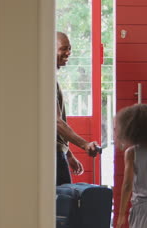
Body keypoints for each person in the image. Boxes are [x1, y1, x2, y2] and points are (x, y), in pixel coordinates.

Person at [56, 31, 99, 186]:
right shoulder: (45, 78)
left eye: (70, 49)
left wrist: (68, 154)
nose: (68, 53)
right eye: (64, 48)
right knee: (61, 208)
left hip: (58, 153)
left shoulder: (50, 77)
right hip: (52, 155)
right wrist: (85, 144)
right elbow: (56, 122)